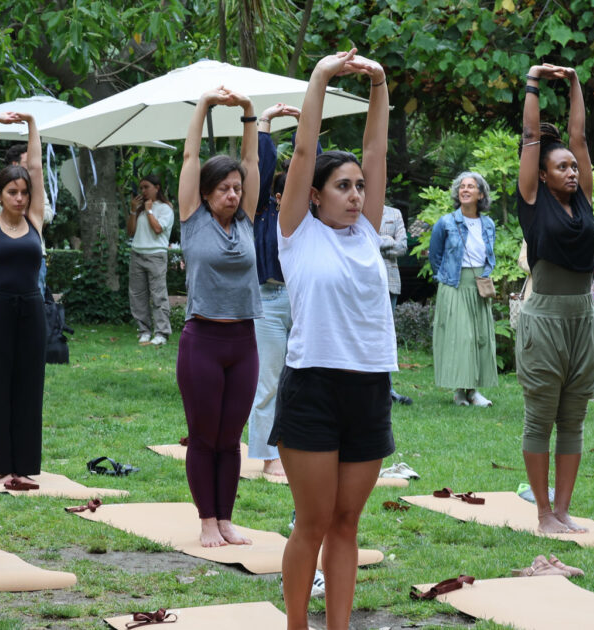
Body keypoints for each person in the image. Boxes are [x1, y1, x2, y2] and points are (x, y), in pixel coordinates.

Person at [270, 49, 393, 630]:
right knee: (313, 522)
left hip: (368, 386)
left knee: (347, 524)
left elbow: (376, 150)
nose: (354, 194)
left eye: (359, 187)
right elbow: (302, 150)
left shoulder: (368, 233)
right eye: (341, 186)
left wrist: (379, 85)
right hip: (314, 387)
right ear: (314, 194)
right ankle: (298, 624)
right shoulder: (296, 233)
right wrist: (320, 78)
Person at [515, 63, 594, 535]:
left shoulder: (583, 198)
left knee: (574, 417)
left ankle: (564, 510)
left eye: (573, 165)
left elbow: (579, 136)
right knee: (541, 416)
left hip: (582, 318)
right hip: (544, 319)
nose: (571, 171)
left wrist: (573, 85)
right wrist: (533, 80)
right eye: (562, 166)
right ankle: (542, 512)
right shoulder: (532, 200)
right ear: (543, 175)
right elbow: (533, 135)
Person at [176, 86, 261, 548]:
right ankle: (206, 519)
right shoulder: (192, 218)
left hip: (243, 340)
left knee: (231, 438)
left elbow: (252, 162)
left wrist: (249, 112)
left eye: (237, 188)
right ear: (206, 194)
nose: (233, 194)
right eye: (224, 189)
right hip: (203, 341)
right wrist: (204, 105)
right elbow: (191, 156)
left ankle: (226, 518)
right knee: (204, 435)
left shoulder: (245, 219)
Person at [0, 111, 47, 490]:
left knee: (29, 385)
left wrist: (33, 126)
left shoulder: (35, 219)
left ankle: (26, 463)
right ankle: (2, 465)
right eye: (12, 193)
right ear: (0, 195)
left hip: (31, 309)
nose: (20, 198)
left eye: (24, 192)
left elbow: (34, 165)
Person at [246, 102, 301, 479]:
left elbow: (309, 163)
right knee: (268, 381)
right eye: (280, 194)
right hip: (265, 302)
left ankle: (299, 450)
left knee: (302, 381)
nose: (284, 198)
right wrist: (265, 124)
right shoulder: (261, 215)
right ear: (274, 197)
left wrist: (304, 125)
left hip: (302, 304)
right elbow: (260, 171)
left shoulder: (306, 220)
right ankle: (268, 456)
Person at [428, 171, 498, 407]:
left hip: (478, 285)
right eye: (462, 187)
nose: (465, 190)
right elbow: (435, 256)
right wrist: (445, 279)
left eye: (471, 186)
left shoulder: (487, 224)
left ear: (480, 193)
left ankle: (473, 391)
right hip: (454, 285)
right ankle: (460, 392)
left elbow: (489, 254)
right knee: (462, 337)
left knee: (479, 337)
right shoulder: (446, 222)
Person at [127, 174, 175, 345]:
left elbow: (157, 229)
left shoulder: (165, 208)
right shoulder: (139, 208)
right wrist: (134, 210)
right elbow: (130, 232)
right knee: (137, 295)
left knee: (158, 296)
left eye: (146, 187)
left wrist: (149, 210)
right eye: (141, 188)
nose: (143, 191)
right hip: (137, 254)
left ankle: (162, 333)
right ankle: (144, 331)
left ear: (157, 187)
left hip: (156, 255)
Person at [6, 143, 55, 296]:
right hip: (9, 252)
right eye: (28, 163)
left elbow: (49, 214)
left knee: (36, 300)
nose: (33, 167)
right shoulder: (1, 189)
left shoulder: (37, 187)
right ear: (15, 164)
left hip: (36, 253)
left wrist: (29, 211)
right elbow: (6, 216)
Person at [380, 203, 413, 405]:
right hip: (362, 282)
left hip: (389, 283)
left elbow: (402, 247)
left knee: (387, 337)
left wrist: (378, 243)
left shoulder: (394, 213)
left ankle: (388, 389)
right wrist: (388, 240)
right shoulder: (357, 211)